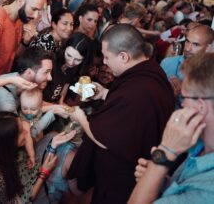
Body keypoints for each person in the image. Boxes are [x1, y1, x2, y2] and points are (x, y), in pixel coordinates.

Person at [67, 24, 175, 204]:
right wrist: (105, 93)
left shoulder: (138, 91)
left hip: (125, 176)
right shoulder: (152, 71)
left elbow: (105, 138)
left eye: (107, 57)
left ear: (124, 56)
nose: (105, 62)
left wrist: (81, 119)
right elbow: (132, 107)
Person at [129, 52, 214, 204]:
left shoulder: (207, 192)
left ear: (200, 106)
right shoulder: (199, 146)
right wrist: (157, 180)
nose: (182, 104)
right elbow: (183, 189)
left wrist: (164, 153)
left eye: (184, 97)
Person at [0, 48, 69, 145]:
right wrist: (53, 111)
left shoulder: (18, 77)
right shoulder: (6, 103)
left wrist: (57, 107)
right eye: (46, 72)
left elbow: (32, 103)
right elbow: (25, 136)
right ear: (29, 72)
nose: (50, 78)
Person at [0, 111, 76, 203]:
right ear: (10, 142)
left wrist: (51, 147)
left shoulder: (1, 146)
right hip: (31, 193)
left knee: (54, 136)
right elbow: (25, 200)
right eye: (21, 132)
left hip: (29, 171)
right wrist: (44, 172)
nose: (26, 132)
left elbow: (30, 129)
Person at [161, 25, 214, 108]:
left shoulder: (210, 73)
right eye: (187, 41)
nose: (188, 48)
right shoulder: (167, 63)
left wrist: (182, 91)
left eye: (196, 44)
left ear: (207, 48)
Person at [42, 32, 93, 104]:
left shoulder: (74, 69)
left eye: (78, 60)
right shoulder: (51, 61)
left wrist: (61, 103)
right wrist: (54, 107)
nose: (71, 62)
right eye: (69, 55)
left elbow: (65, 86)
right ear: (64, 48)